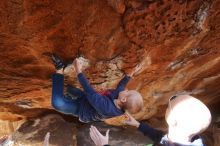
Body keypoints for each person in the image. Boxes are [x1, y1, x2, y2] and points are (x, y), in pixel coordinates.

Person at [89, 94, 212, 146]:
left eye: (169, 107)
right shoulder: (186, 138)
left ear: (173, 121)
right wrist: (138, 124)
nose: (166, 108)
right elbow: (161, 137)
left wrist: (103, 145)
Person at [51, 55, 143, 123]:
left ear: (123, 99)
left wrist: (78, 70)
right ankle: (68, 95)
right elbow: (121, 86)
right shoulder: (120, 98)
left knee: (58, 103)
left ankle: (60, 68)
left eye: (128, 91)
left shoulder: (107, 109)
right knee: (71, 90)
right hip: (87, 99)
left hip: (81, 110)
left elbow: (90, 91)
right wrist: (131, 73)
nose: (125, 90)